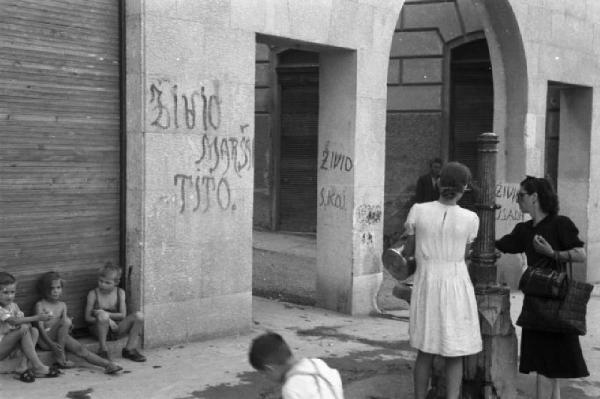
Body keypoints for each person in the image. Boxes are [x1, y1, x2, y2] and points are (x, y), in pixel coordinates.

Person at [495, 176, 588, 399]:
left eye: (521, 195)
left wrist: (553, 254)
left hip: (556, 304)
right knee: (543, 367)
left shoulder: (560, 224)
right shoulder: (524, 230)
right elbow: (498, 245)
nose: (518, 200)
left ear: (535, 197)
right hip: (535, 305)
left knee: (550, 368)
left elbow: (580, 254)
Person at [402, 162, 481, 399]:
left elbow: (408, 249)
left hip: (427, 282)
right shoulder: (471, 218)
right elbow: (466, 253)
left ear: (439, 182)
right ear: (464, 188)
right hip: (457, 283)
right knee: (454, 351)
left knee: (425, 350)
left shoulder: (418, 210)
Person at [34, 271, 123, 374]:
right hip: (46, 341)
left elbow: (64, 327)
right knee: (66, 321)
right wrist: (52, 344)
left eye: (58, 288)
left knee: (81, 349)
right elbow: (40, 328)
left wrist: (70, 326)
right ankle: (60, 357)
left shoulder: (62, 305)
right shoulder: (40, 305)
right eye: (51, 288)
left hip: (60, 339)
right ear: (44, 290)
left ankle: (108, 365)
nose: (55, 291)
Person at [0, 271, 61, 382]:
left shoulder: (13, 306)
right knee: (23, 328)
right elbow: (13, 321)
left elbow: (23, 321)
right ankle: (38, 366)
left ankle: (23, 365)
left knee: (34, 331)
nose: (10, 296)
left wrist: (44, 316)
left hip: (9, 345)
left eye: (12, 292)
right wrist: (37, 318)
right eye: (5, 292)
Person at [249, 332, 344, 399]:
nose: (266, 378)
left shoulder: (291, 388)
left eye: (264, 374)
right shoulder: (318, 363)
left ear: (270, 369)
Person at [84, 262, 146, 362]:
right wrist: (105, 318)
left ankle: (129, 349)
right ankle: (103, 350)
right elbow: (87, 318)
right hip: (98, 330)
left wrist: (107, 315)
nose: (103, 285)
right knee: (102, 315)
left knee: (139, 316)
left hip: (117, 329)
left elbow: (122, 315)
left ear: (116, 282)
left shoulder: (120, 293)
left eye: (107, 283)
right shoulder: (93, 294)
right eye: (100, 281)